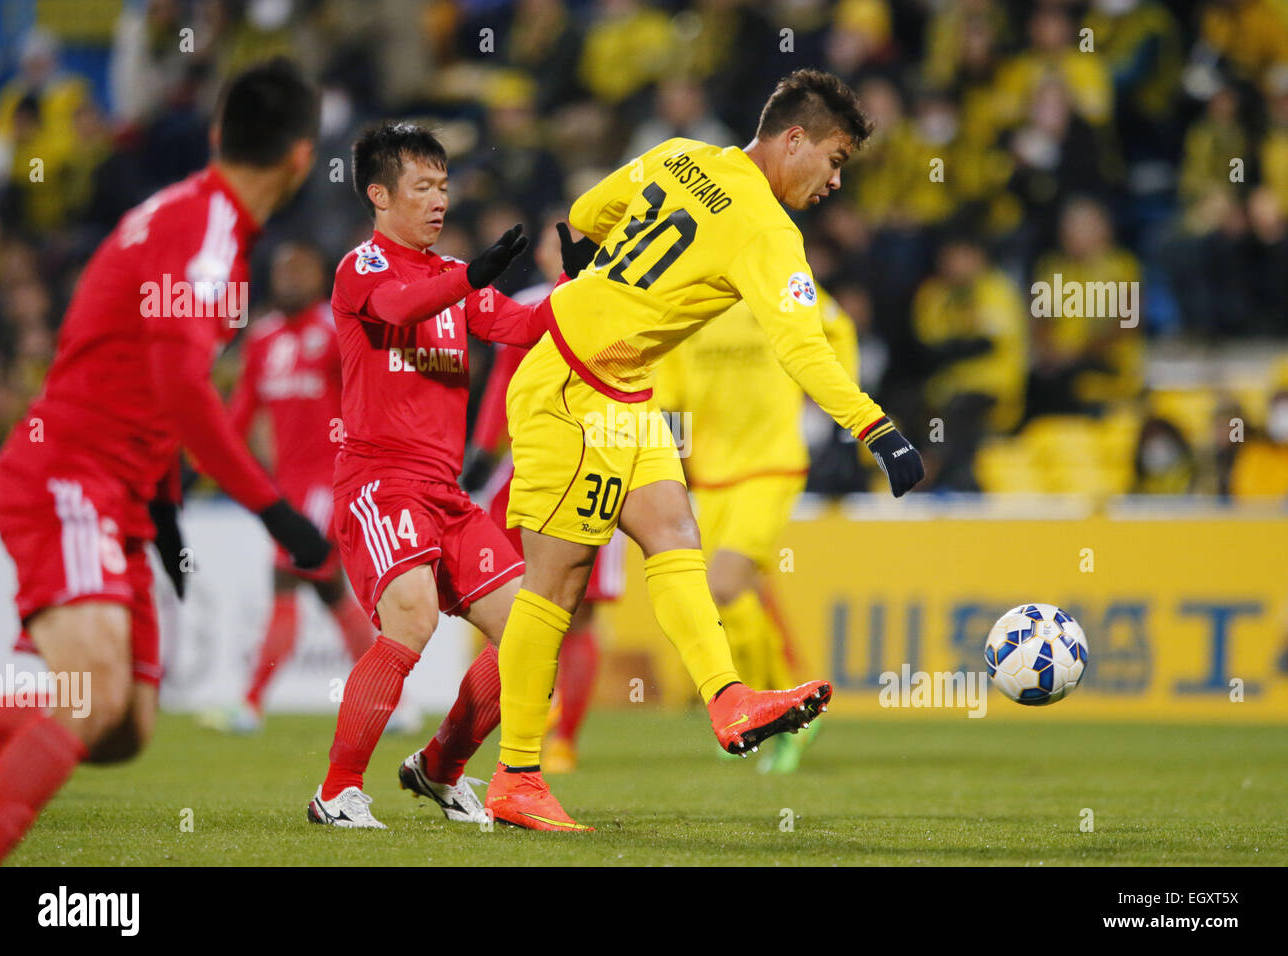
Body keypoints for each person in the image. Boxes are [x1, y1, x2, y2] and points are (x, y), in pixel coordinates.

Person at [488, 68, 925, 831]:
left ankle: (728, 699)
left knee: (673, 536)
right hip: (571, 386)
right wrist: (876, 427)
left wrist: (584, 257)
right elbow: (805, 348)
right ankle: (517, 773)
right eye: (834, 159)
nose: (834, 181)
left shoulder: (680, 153)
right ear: (794, 140)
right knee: (555, 585)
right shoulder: (767, 231)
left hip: (619, 384)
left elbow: (589, 210)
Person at [0, 58, 331, 866]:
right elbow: (182, 388)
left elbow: (141, 374)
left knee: (122, 726)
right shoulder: (208, 234)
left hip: (121, 491)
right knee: (90, 697)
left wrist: (167, 510)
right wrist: (272, 508)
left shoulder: (185, 221)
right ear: (301, 158)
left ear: (217, 137)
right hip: (71, 474)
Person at [306, 122, 556, 829]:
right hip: (379, 484)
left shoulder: (450, 277)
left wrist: (583, 286)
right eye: (423, 186)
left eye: (444, 186)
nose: (439, 200)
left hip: (446, 494)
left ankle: (440, 767)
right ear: (380, 195)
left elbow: (522, 326)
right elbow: (397, 309)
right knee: (411, 615)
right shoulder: (363, 269)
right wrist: (467, 277)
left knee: (532, 632)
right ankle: (336, 790)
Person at [657, 283, 857, 774]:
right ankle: (783, 710)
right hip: (712, 476)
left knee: (723, 585)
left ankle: (790, 710)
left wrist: (837, 410)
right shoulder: (686, 304)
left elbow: (840, 327)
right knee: (737, 596)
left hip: (772, 465)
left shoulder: (771, 281)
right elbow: (667, 396)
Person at [464, 223, 626, 774]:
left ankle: (561, 738)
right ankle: (529, 731)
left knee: (571, 615)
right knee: (516, 608)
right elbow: (503, 390)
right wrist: (483, 456)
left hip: (598, 469)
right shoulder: (539, 305)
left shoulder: (634, 306)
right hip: (533, 474)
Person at [212, 241, 376, 732]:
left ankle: (251, 703)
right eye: (283, 271)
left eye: (300, 270)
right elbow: (242, 409)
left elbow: (362, 402)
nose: (289, 280)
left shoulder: (332, 332)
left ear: (318, 277)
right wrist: (213, 458)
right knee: (327, 589)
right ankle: (390, 703)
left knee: (287, 580)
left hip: (328, 480)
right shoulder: (261, 340)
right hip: (285, 487)